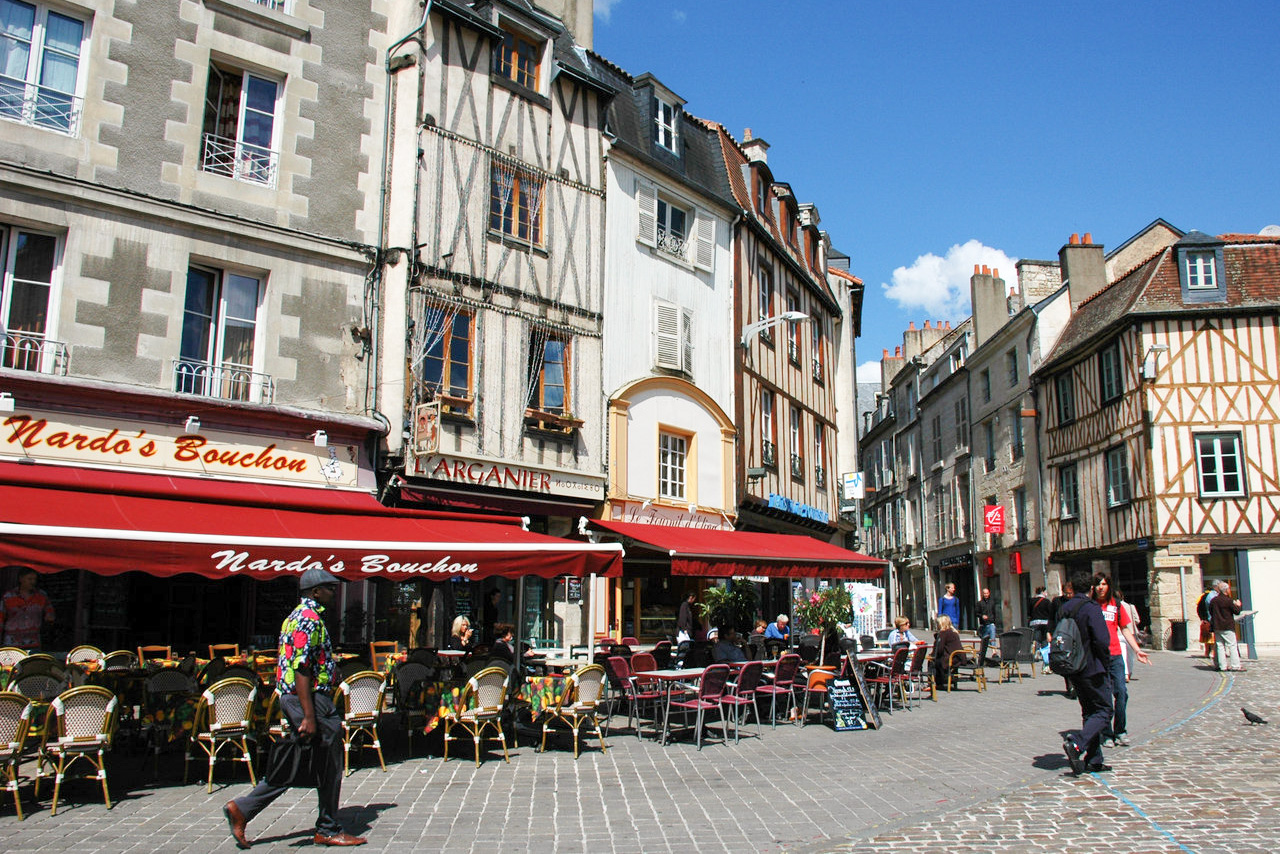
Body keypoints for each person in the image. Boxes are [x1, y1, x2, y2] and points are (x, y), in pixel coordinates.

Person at [223, 567, 367, 848]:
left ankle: (245, 809)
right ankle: (326, 828)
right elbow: (302, 668)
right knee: (328, 762)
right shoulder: (308, 620)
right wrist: (309, 715)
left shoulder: (296, 617)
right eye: (330, 588)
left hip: (302, 699)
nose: (334, 592)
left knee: (302, 759)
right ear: (315, 592)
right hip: (310, 699)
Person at [1057, 570, 1114, 775]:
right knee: (1105, 710)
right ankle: (1077, 744)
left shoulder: (1065, 608)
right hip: (1092, 666)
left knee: (1089, 711)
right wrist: (1106, 662)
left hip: (1073, 667)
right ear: (1091, 588)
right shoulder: (1091, 608)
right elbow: (1102, 640)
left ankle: (1094, 759)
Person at [1092, 574, 1150, 748]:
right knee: (1104, 698)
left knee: (1122, 693)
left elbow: (1124, 629)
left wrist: (1137, 650)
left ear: (1109, 586)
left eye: (1104, 584)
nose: (1101, 587)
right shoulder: (1090, 605)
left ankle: (1120, 731)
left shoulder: (1115, 605)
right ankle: (1106, 733)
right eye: (1098, 584)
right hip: (1097, 657)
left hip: (1115, 655)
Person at [1, 566, 55, 650]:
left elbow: (50, 612)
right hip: (12, 643)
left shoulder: (41, 595)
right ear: (21, 579)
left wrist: (49, 617)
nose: (33, 582)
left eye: (34, 579)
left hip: (33, 642)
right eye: (29, 579)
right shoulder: (8, 596)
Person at [1209, 580, 1244, 672]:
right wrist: (1238, 605)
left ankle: (1222, 666)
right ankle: (1235, 666)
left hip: (1217, 626)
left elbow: (1211, 612)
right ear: (1226, 590)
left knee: (1220, 646)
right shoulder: (1228, 601)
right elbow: (1237, 611)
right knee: (1232, 645)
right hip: (1227, 626)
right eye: (1228, 589)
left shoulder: (1214, 601)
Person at [931, 615, 964, 690]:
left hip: (951, 658)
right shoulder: (953, 632)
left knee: (933, 661)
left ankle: (936, 683)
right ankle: (944, 681)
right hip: (958, 657)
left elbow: (939, 649)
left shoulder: (944, 633)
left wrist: (932, 655)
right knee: (937, 660)